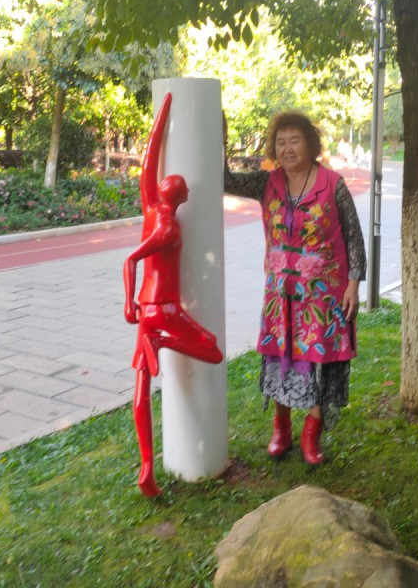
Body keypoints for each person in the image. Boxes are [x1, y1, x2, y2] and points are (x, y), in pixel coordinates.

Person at [224, 112, 366, 464]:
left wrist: (353, 284)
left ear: (311, 144)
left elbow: (353, 237)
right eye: (281, 142)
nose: (287, 148)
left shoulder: (333, 184)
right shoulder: (266, 183)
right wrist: (219, 135)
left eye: (294, 141)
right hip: (280, 296)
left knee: (317, 361)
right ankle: (281, 428)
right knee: (280, 357)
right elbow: (222, 180)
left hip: (323, 296)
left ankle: (311, 435)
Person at [123, 93, 223, 497]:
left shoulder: (151, 209)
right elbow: (131, 258)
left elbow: (148, 163)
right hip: (164, 311)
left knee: (141, 385)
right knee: (212, 350)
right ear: (181, 198)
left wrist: (163, 112)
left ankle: (147, 465)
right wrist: (128, 301)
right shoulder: (168, 228)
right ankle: (163, 342)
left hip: (146, 309)